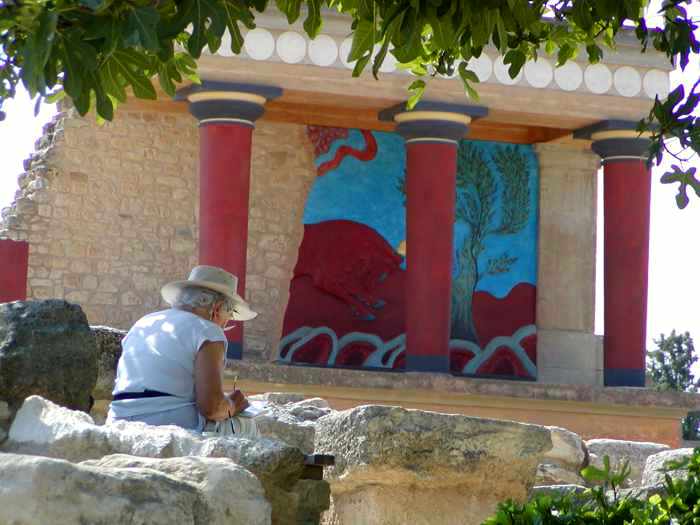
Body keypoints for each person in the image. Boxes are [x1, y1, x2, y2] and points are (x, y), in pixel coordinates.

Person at [107, 265, 259, 437]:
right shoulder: (207, 330)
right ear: (217, 309)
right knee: (247, 425)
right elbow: (211, 408)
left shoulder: (144, 322)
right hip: (169, 425)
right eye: (230, 316)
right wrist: (232, 405)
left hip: (118, 420)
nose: (226, 325)